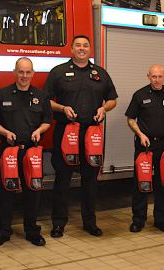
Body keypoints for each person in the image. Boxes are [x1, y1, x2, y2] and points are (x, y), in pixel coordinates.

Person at [44, 35, 118, 238]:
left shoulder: (100, 73)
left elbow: (113, 99)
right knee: (62, 180)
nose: (82, 48)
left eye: (86, 45)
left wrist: (104, 108)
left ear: (90, 49)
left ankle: (90, 223)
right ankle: (58, 223)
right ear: (71, 49)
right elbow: (45, 100)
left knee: (90, 180)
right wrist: (62, 107)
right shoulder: (58, 72)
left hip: (91, 134)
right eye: (78, 45)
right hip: (67, 133)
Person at [0, 57, 52, 247]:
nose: (24, 76)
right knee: (5, 192)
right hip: (8, 152)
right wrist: (4, 132)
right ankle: (2, 232)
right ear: (15, 72)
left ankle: (32, 231)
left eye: (28, 72)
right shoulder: (2, 95)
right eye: (21, 72)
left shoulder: (41, 96)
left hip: (31, 152)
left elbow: (47, 120)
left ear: (33, 73)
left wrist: (40, 131)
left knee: (33, 191)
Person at [125, 64, 164, 233]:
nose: (157, 80)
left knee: (163, 184)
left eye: (160, 76)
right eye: (153, 77)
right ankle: (138, 220)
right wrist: (140, 134)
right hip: (145, 146)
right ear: (148, 76)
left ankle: (161, 219)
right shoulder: (140, 95)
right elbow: (130, 119)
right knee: (141, 183)